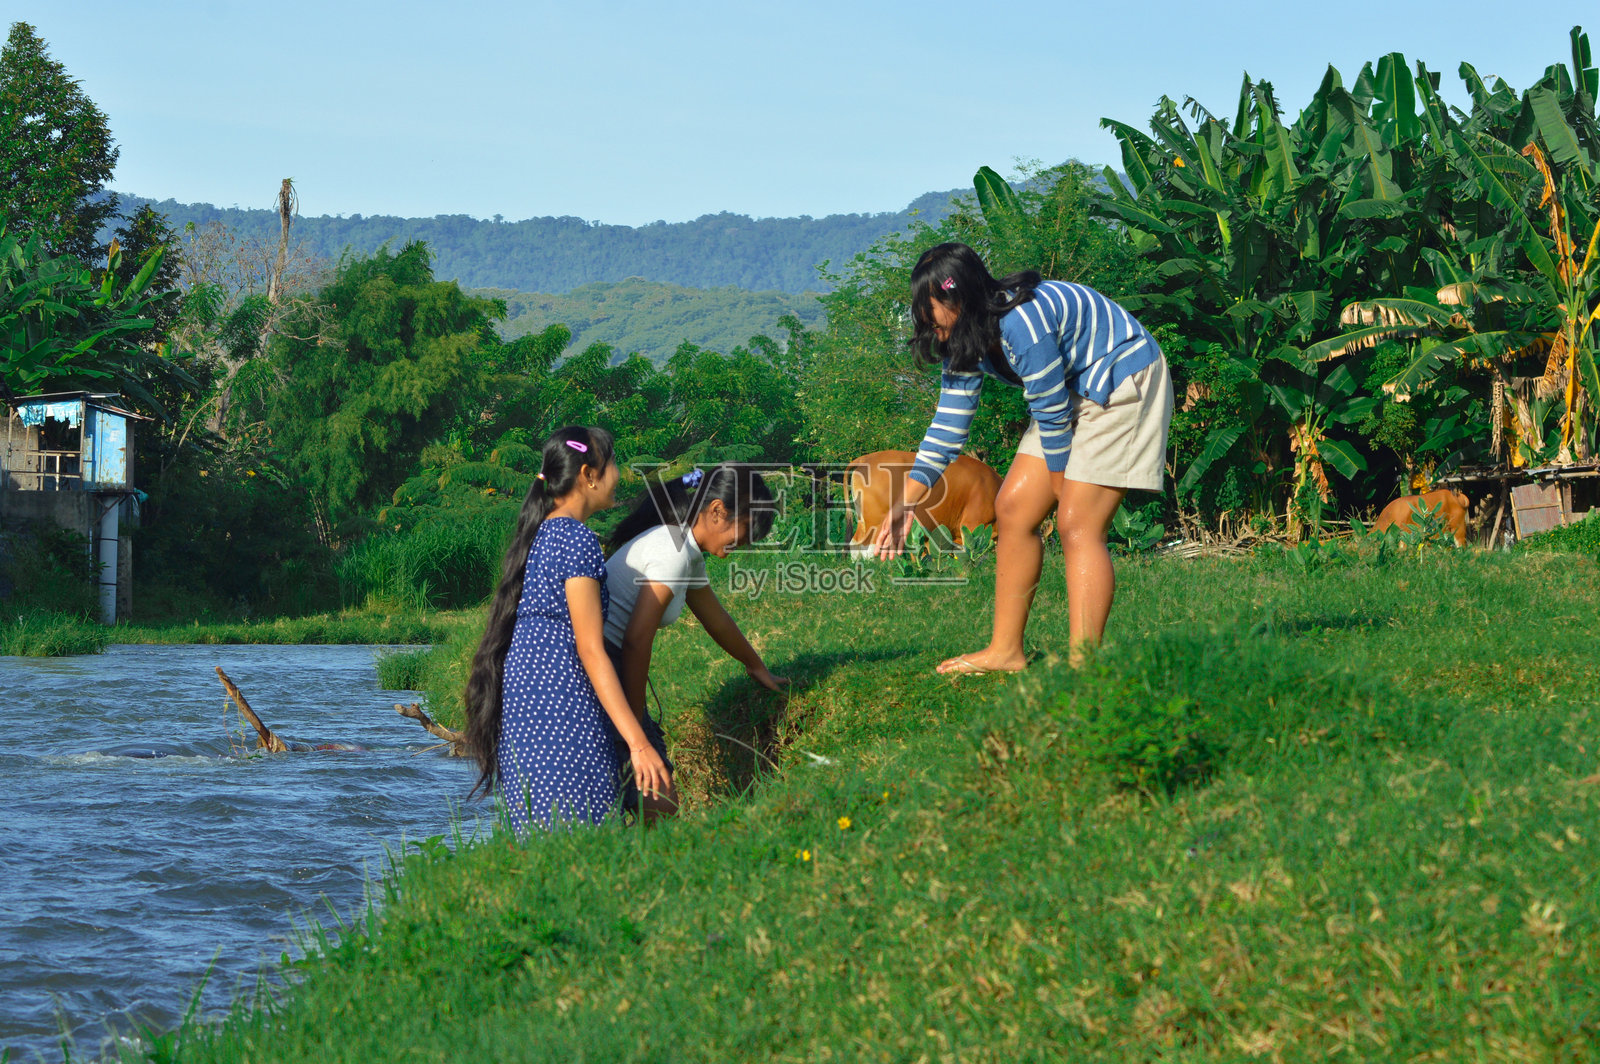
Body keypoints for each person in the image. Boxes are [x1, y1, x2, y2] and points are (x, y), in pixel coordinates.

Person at [876, 242, 1174, 673]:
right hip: (1069, 389)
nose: (924, 320)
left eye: (930, 307)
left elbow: (1051, 415)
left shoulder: (1022, 324)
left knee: (1077, 524)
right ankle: (1006, 652)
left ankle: (1083, 667)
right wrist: (906, 502)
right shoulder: (963, 337)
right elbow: (947, 429)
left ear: (960, 299)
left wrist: (1060, 489)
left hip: (1120, 378)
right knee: (1013, 509)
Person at [462, 425, 671, 834]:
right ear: (588, 475)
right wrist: (639, 742)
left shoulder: (542, 533)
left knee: (546, 835)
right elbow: (591, 649)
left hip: (530, 707)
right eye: (612, 465)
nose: (618, 476)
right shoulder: (575, 540)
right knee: (581, 829)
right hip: (562, 707)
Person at [603, 464, 788, 821]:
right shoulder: (671, 552)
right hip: (604, 669)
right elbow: (636, 641)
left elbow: (715, 618)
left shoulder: (684, 550)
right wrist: (637, 725)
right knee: (656, 796)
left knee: (653, 797)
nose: (742, 546)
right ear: (717, 511)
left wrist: (755, 665)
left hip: (613, 666)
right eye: (744, 533)